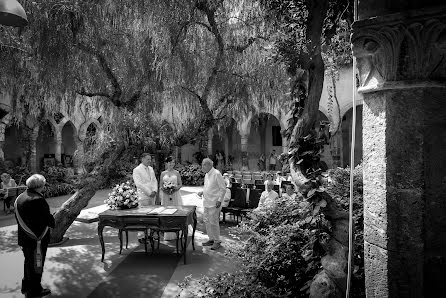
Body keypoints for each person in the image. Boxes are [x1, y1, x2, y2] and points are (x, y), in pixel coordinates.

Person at [14, 174, 54, 298]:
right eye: (44, 185)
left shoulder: (20, 197)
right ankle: (35, 291)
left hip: (24, 237)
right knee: (37, 266)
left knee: (28, 263)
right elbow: (49, 220)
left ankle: (26, 286)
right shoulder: (38, 199)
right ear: (40, 186)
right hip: (37, 239)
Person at [197, 158, 226, 250]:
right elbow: (208, 187)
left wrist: (219, 200)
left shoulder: (217, 173)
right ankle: (211, 239)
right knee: (207, 221)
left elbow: (223, 188)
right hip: (206, 201)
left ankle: (217, 241)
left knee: (214, 222)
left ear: (209, 165)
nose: (202, 167)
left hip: (215, 202)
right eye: (202, 165)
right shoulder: (207, 174)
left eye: (203, 165)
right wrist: (202, 192)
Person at [133, 153, 158, 243]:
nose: (150, 161)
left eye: (150, 159)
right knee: (142, 217)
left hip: (152, 196)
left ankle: (151, 234)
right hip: (143, 196)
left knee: (152, 216)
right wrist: (149, 192)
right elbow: (139, 184)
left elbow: (154, 180)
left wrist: (154, 190)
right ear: (142, 159)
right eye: (148, 159)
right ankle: (141, 236)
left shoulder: (151, 169)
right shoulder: (136, 170)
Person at [159, 156, 183, 241]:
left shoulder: (176, 173)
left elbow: (180, 184)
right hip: (166, 195)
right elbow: (161, 185)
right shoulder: (163, 173)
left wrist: (175, 188)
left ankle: (177, 231)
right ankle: (167, 233)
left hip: (175, 194)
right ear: (166, 163)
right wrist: (165, 190)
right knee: (166, 212)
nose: (172, 164)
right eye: (170, 162)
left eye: (173, 162)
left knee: (175, 211)